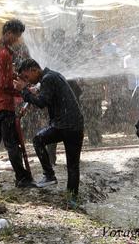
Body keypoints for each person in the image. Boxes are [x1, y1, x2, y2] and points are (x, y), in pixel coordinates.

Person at [14, 59, 84, 205]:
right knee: (73, 166)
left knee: (38, 140)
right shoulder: (51, 76)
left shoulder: (48, 78)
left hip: (64, 125)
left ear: (34, 70)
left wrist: (23, 90)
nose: (28, 81)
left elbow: (41, 102)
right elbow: (44, 94)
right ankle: (72, 199)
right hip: (75, 125)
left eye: (27, 77)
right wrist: (31, 93)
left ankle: (50, 175)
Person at [0, 19, 35, 188]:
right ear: (9, 33)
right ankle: (22, 177)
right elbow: (5, 85)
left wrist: (18, 78)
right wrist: (24, 92)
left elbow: (3, 77)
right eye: (16, 36)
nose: (17, 40)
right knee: (11, 144)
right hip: (4, 104)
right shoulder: (4, 54)